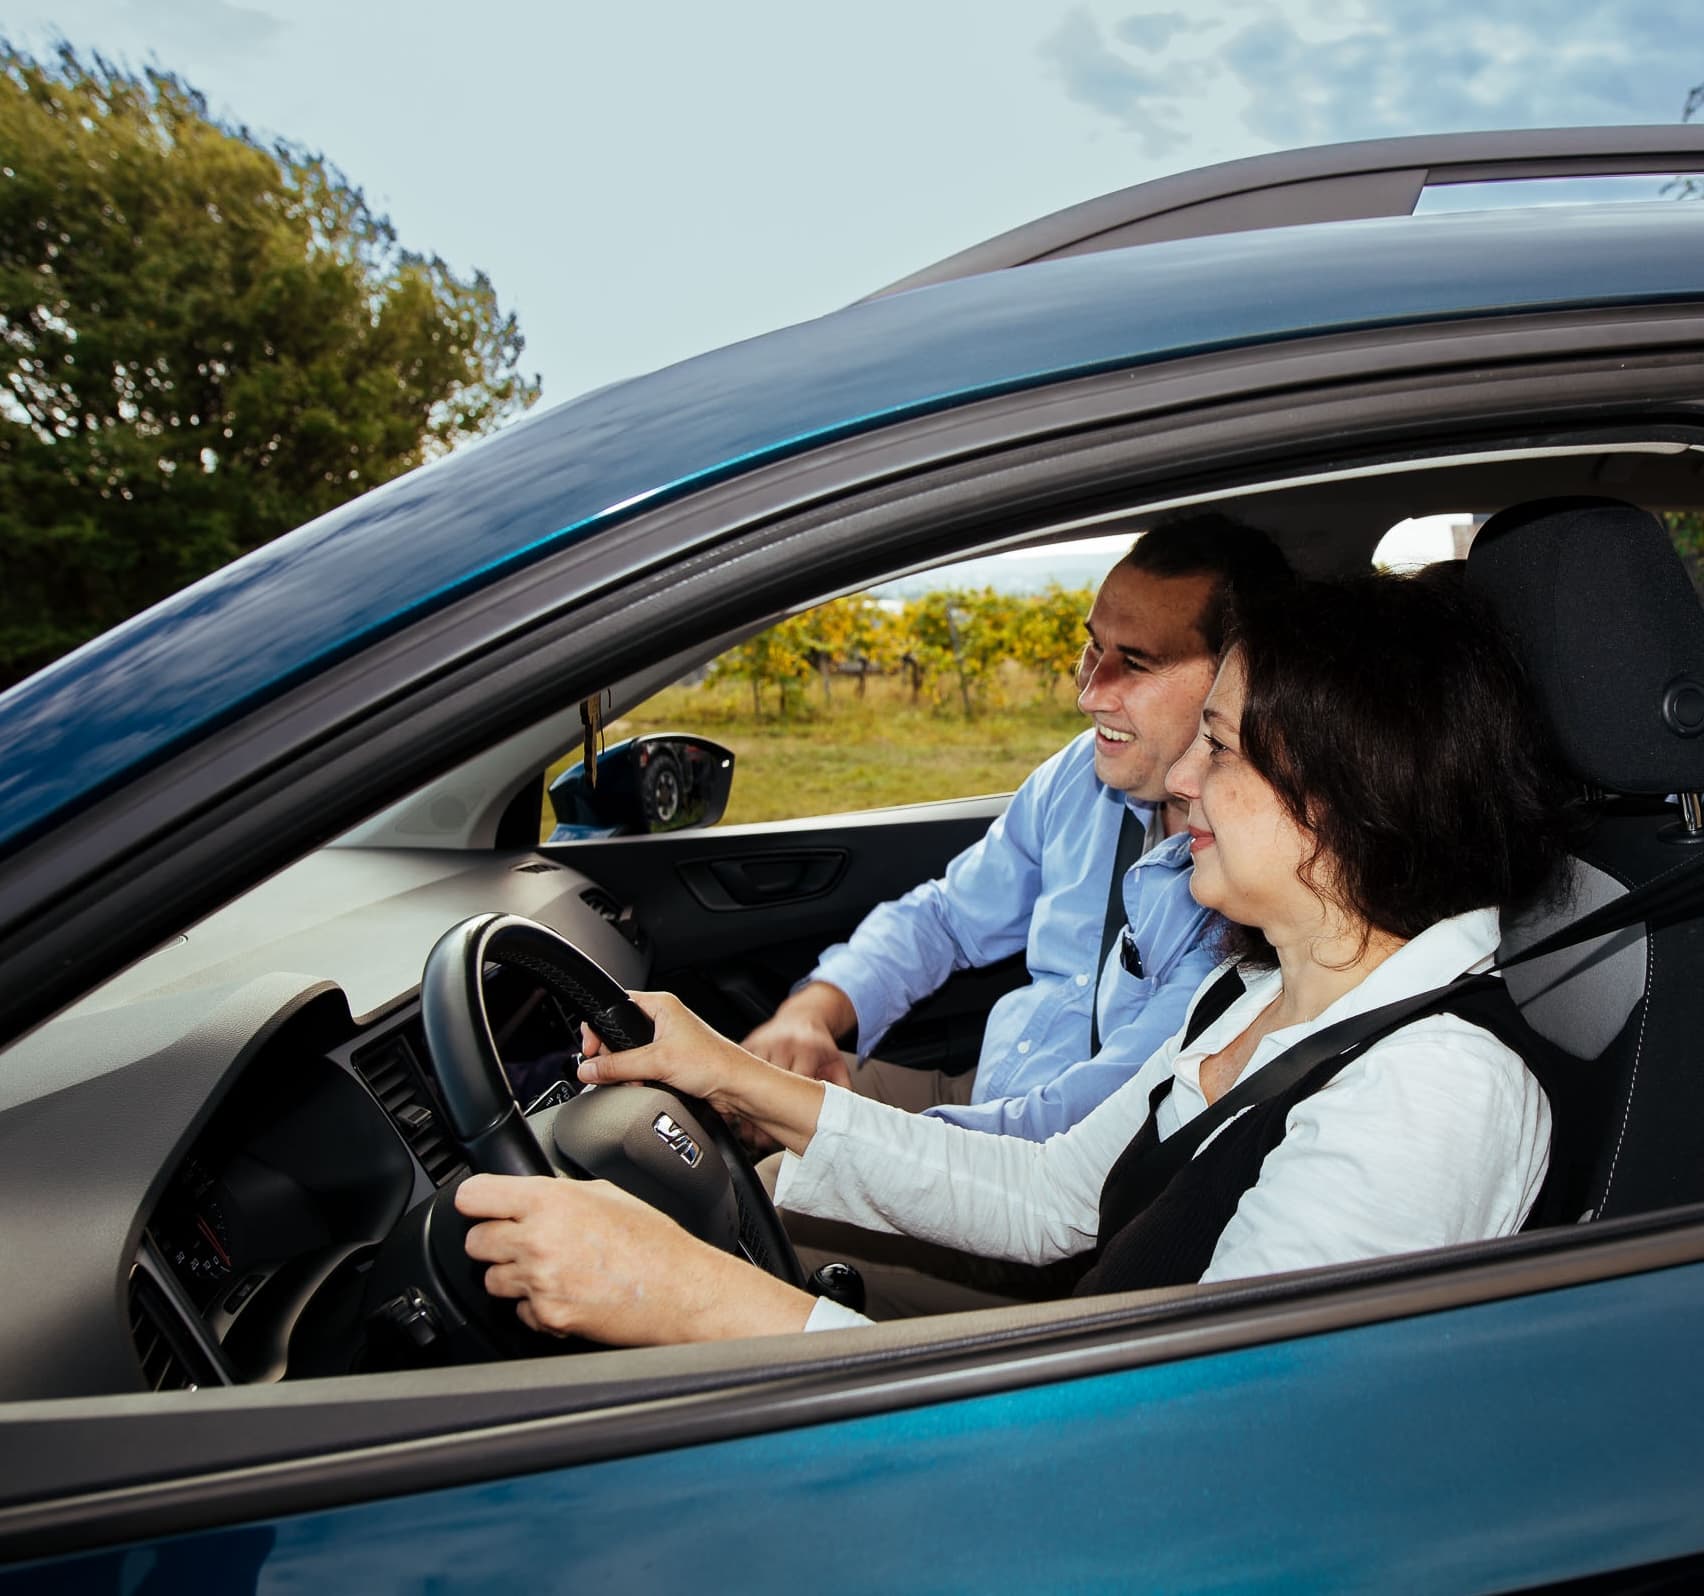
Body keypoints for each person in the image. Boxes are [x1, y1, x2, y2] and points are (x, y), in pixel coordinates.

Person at [456, 571, 1571, 1345]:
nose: (1182, 782)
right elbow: (1049, 1196)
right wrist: (727, 1070)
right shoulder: (1261, 991)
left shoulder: (1431, 1096)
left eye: (1221, 750)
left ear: (1342, 794)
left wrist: (688, 1300)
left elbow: (1195, 1456)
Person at [744, 516, 1293, 1150]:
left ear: (1237, 679)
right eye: (1094, 650)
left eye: (1136, 664)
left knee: (755, 1190)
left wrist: (838, 1138)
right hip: (981, 1097)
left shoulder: (1249, 886)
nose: (1089, 695)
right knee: (731, 1117)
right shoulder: (1079, 779)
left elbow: (1080, 1137)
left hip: (1043, 1176)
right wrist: (815, 1011)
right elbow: (947, 918)